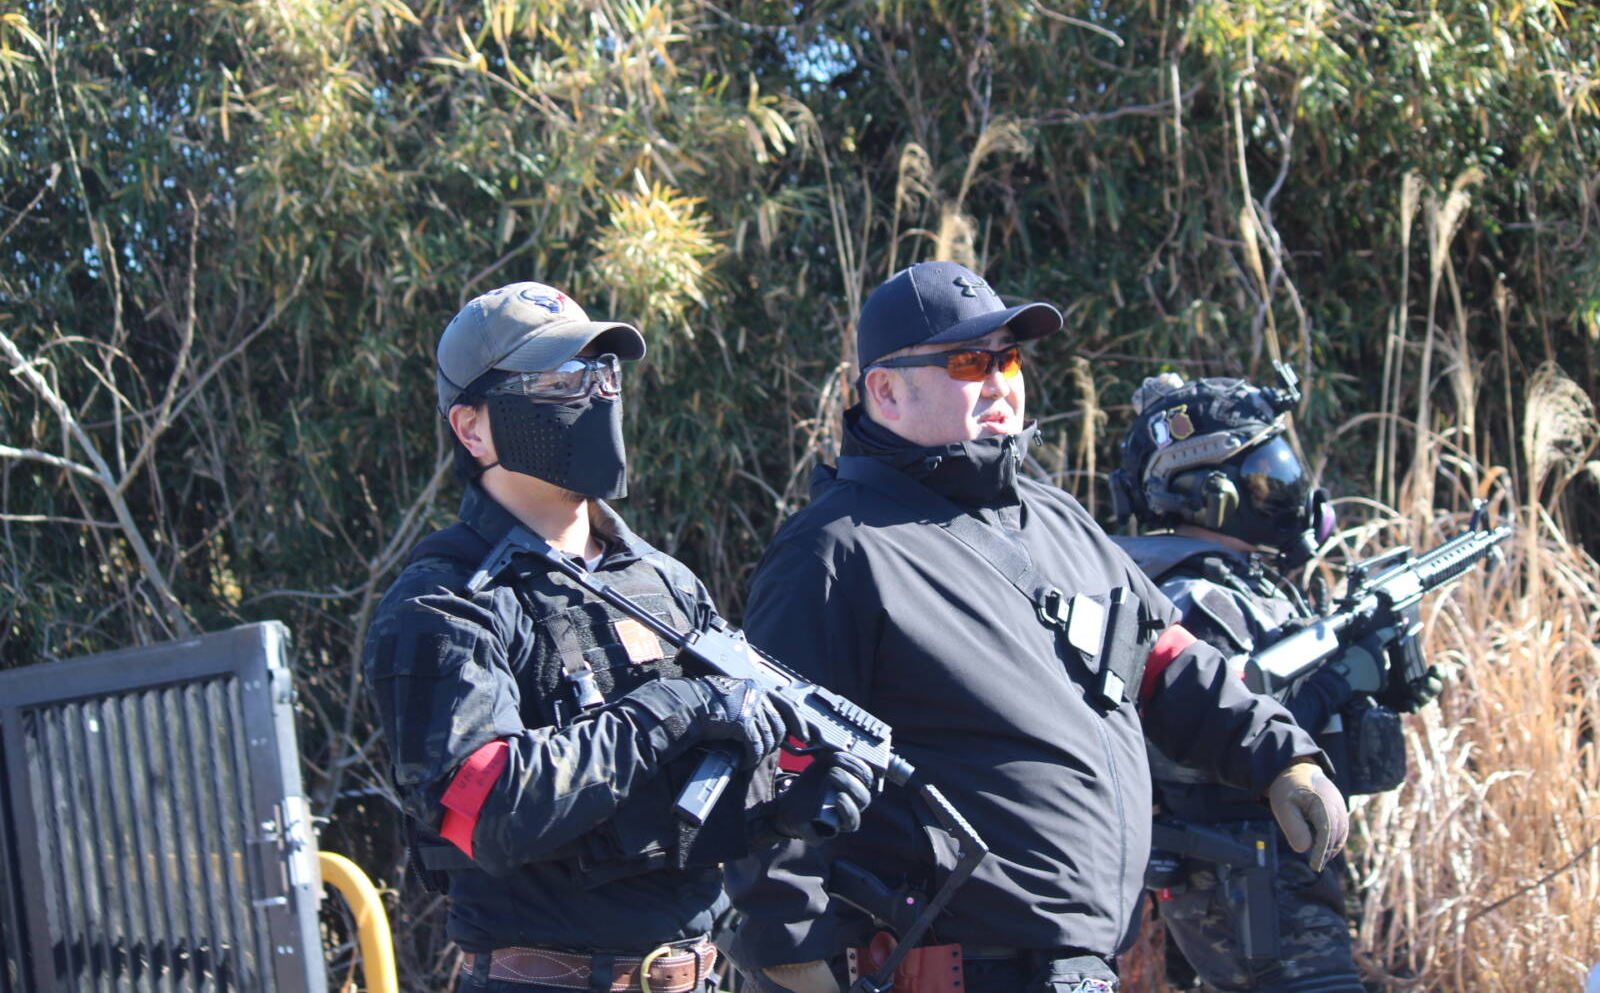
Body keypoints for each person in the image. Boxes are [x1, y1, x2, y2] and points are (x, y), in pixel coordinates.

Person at [722, 261, 1350, 993]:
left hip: (1085, 970)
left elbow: (1164, 663)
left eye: (1009, 359)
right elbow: (773, 767)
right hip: (948, 970)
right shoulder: (833, 551)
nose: (999, 383)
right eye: (968, 362)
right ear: (885, 390)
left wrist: (1280, 757)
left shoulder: (1057, 519)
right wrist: (790, 956)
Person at [363, 281, 874, 993]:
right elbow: (487, 809)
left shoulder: (662, 581)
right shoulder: (445, 601)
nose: (595, 394)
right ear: (472, 427)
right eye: (557, 381)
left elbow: (672, 810)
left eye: (602, 373)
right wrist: (670, 711)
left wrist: (780, 804)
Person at [1109, 370, 1444, 992]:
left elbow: (1283, 705)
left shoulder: (1237, 584)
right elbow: (1215, 737)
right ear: (1213, 493)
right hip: (1243, 873)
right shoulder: (1192, 595)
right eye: (1267, 474)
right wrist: (1340, 680)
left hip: (1275, 863)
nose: (1288, 490)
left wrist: (1372, 684)